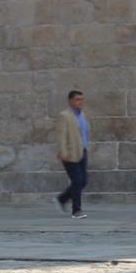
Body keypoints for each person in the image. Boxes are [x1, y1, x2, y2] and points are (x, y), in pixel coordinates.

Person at [54, 90, 89, 219]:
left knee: (83, 181)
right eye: (77, 99)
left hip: (82, 151)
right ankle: (76, 210)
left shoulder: (82, 115)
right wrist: (63, 152)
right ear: (70, 101)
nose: (80, 102)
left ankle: (62, 199)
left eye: (81, 99)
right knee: (77, 180)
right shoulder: (65, 116)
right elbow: (61, 135)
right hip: (70, 153)